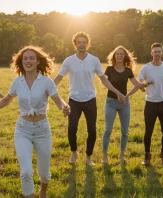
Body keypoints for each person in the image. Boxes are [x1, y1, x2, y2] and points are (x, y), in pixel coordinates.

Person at [0, 46, 70, 198]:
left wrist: (64, 107)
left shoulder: (46, 81)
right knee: (26, 171)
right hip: (23, 129)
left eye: (31, 58)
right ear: (21, 63)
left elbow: (57, 100)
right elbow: (7, 99)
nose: (28, 61)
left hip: (42, 130)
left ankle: (43, 191)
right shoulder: (17, 82)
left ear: (37, 62)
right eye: (25, 59)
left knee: (44, 172)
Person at [54, 32, 126, 166]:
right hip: (74, 100)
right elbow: (58, 78)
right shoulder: (68, 61)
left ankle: (88, 156)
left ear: (88, 44)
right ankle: (74, 152)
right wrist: (46, 89)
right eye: (79, 42)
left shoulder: (94, 60)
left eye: (84, 42)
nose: (81, 44)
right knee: (72, 127)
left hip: (90, 99)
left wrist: (117, 92)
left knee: (92, 129)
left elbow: (104, 80)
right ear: (75, 44)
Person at [101, 46, 145, 164]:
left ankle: (121, 155)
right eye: (117, 54)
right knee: (108, 130)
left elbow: (136, 84)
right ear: (114, 56)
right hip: (111, 102)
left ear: (124, 56)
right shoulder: (109, 69)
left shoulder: (128, 71)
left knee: (125, 131)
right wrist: (118, 93)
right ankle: (105, 156)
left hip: (124, 103)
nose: (119, 56)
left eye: (121, 54)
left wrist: (141, 86)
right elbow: (104, 81)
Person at [138, 43, 163, 166]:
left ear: (162, 53)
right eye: (155, 51)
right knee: (148, 131)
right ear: (151, 53)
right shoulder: (145, 68)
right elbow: (140, 82)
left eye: (159, 51)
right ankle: (147, 155)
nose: (157, 54)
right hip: (151, 103)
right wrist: (145, 84)